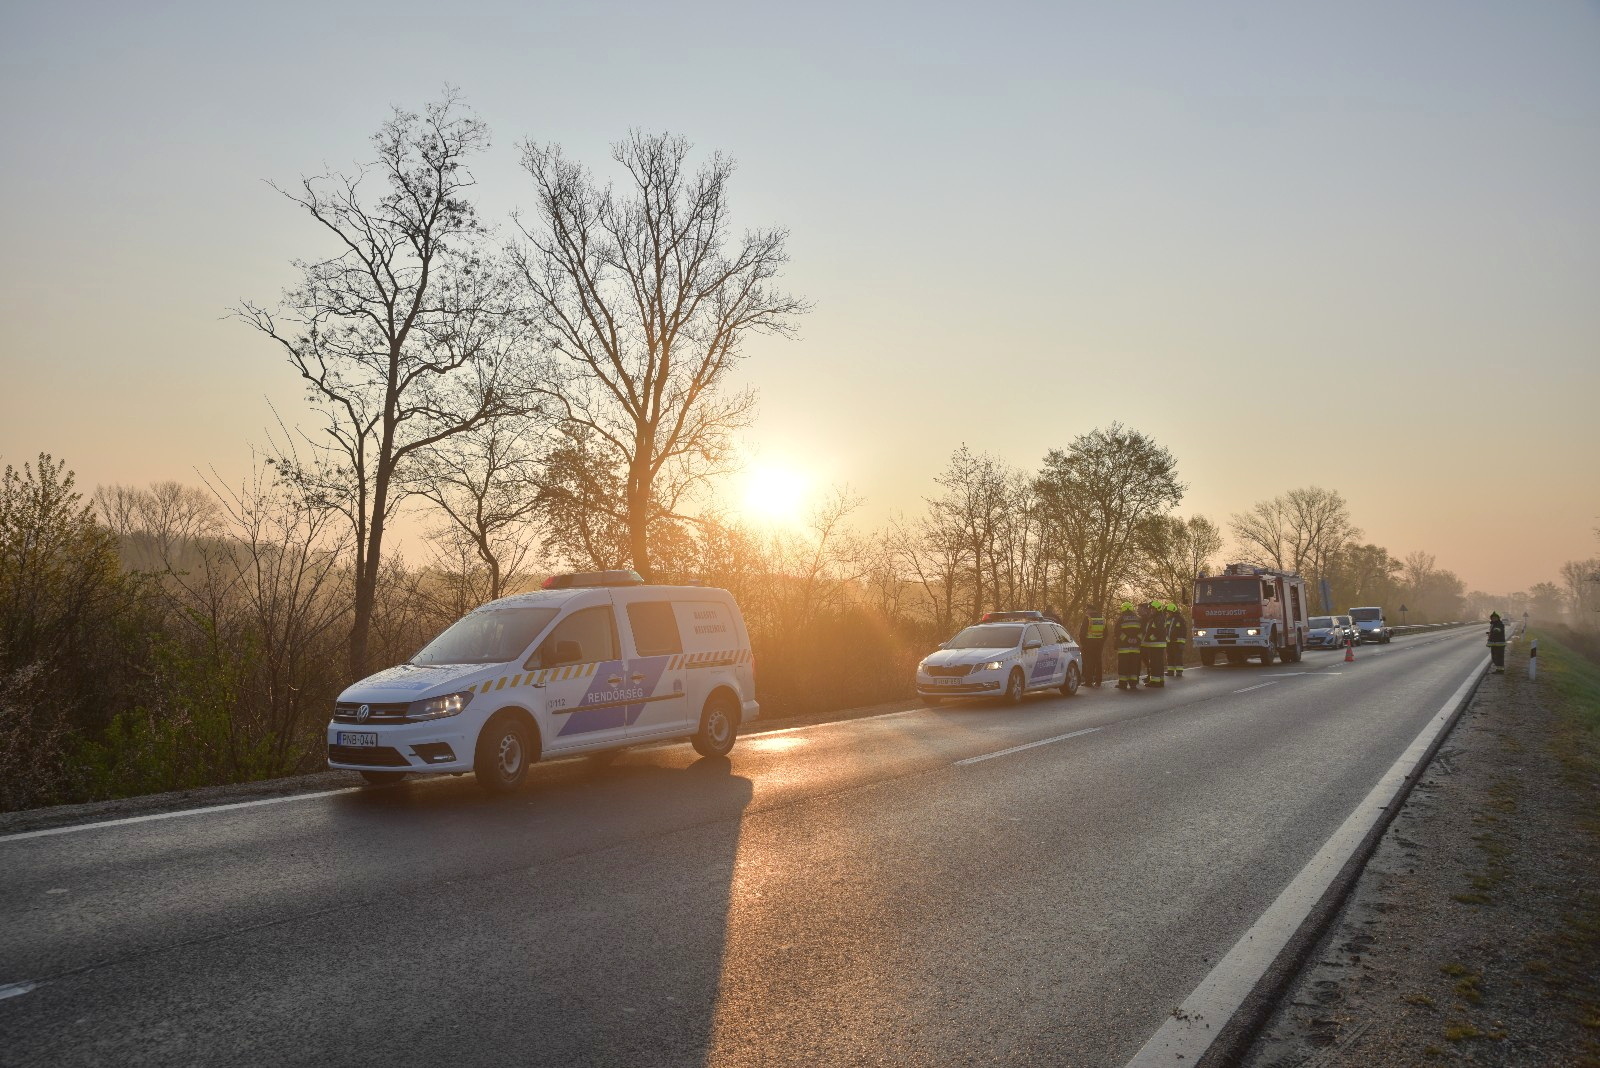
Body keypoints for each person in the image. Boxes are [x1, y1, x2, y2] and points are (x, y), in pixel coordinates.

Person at [1115, 601, 1143, 690]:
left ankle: (1123, 684)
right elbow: (1142, 632)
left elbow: (1117, 632)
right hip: (1135, 648)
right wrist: (1136, 639)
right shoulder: (1138, 619)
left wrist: (1127, 639)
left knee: (1123, 665)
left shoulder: (1121, 619)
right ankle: (1133, 684)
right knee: (1133, 665)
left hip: (1124, 648)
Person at [1141, 598, 1168, 687]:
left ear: (1157, 609)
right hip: (1156, 644)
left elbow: (1159, 630)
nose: (1151, 611)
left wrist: (1151, 638)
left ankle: (1155, 682)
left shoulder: (1158, 618)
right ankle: (1160, 680)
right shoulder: (1156, 617)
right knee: (1158, 663)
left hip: (1156, 644)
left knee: (1155, 663)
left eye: (1153, 609)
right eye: (1151, 609)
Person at [1078, 608, 1108, 687]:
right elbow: (1106, 633)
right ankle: (1098, 681)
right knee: (1098, 662)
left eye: (1087, 610)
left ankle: (1089, 681)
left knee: (1089, 662)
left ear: (1090, 610)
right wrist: (1101, 641)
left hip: (1089, 644)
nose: (1086, 612)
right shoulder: (1102, 618)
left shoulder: (1088, 618)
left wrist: (1083, 644)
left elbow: (1082, 633)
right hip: (1099, 644)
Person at [1165, 601, 1189, 678]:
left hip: (1178, 642)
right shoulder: (1168, 619)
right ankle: (1170, 671)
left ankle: (1179, 672)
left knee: (1178, 656)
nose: (1168, 613)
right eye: (1168, 612)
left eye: (1169, 612)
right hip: (1169, 641)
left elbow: (1184, 631)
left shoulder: (1180, 619)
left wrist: (1182, 643)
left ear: (1173, 611)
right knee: (1169, 656)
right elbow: (1166, 630)